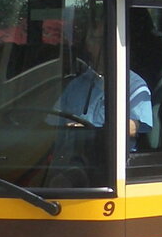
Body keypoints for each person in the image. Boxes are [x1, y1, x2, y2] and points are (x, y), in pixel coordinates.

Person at [55, 16, 153, 148]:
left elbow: (133, 127)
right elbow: (52, 121)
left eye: (108, 39)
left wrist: (92, 131)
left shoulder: (134, 85)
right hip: (72, 159)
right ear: (88, 45)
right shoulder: (75, 85)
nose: (106, 44)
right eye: (98, 39)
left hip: (111, 160)